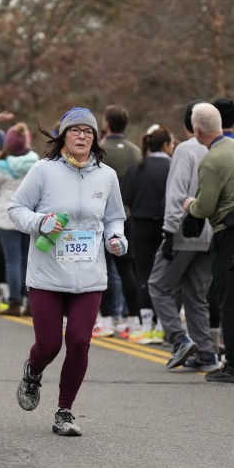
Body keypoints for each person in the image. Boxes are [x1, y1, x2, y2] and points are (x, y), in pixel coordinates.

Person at [9, 107, 127, 437]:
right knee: (49, 345)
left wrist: (116, 238)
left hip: (89, 276)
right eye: (75, 130)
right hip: (47, 274)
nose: (82, 136)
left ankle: (64, 411)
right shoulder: (43, 170)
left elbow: (114, 218)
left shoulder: (107, 176)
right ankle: (33, 372)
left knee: (78, 342)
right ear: (63, 136)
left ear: (95, 138)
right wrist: (41, 222)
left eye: (88, 131)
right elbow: (16, 209)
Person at [185, 102, 234, 383]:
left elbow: (205, 207)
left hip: (230, 233)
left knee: (229, 301)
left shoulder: (211, 160)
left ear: (197, 130)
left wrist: (190, 205)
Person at [150, 102, 217, 372]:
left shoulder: (185, 150)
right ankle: (206, 354)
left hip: (185, 229)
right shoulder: (217, 148)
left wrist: (168, 232)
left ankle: (179, 339)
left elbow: (177, 193)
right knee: (196, 295)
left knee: (158, 285)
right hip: (210, 231)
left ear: (189, 124)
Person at [0, 122, 40, 316]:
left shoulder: (4, 165)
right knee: (28, 261)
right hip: (30, 216)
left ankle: (14, 302)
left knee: (12, 261)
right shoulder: (35, 161)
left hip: (8, 217)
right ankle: (30, 303)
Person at [121, 125, 174, 342]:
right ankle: (162, 325)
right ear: (165, 145)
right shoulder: (172, 166)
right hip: (166, 226)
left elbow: (126, 197)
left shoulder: (137, 167)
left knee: (144, 273)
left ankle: (145, 324)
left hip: (140, 224)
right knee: (165, 276)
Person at [95, 104, 142, 339]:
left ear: (106, 123)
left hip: (102, 216)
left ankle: (105, 319)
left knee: (101, 269)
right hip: (128, 215)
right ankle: (134, 320)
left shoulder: (100, 150)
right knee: (127, 269)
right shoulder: (136, 152)